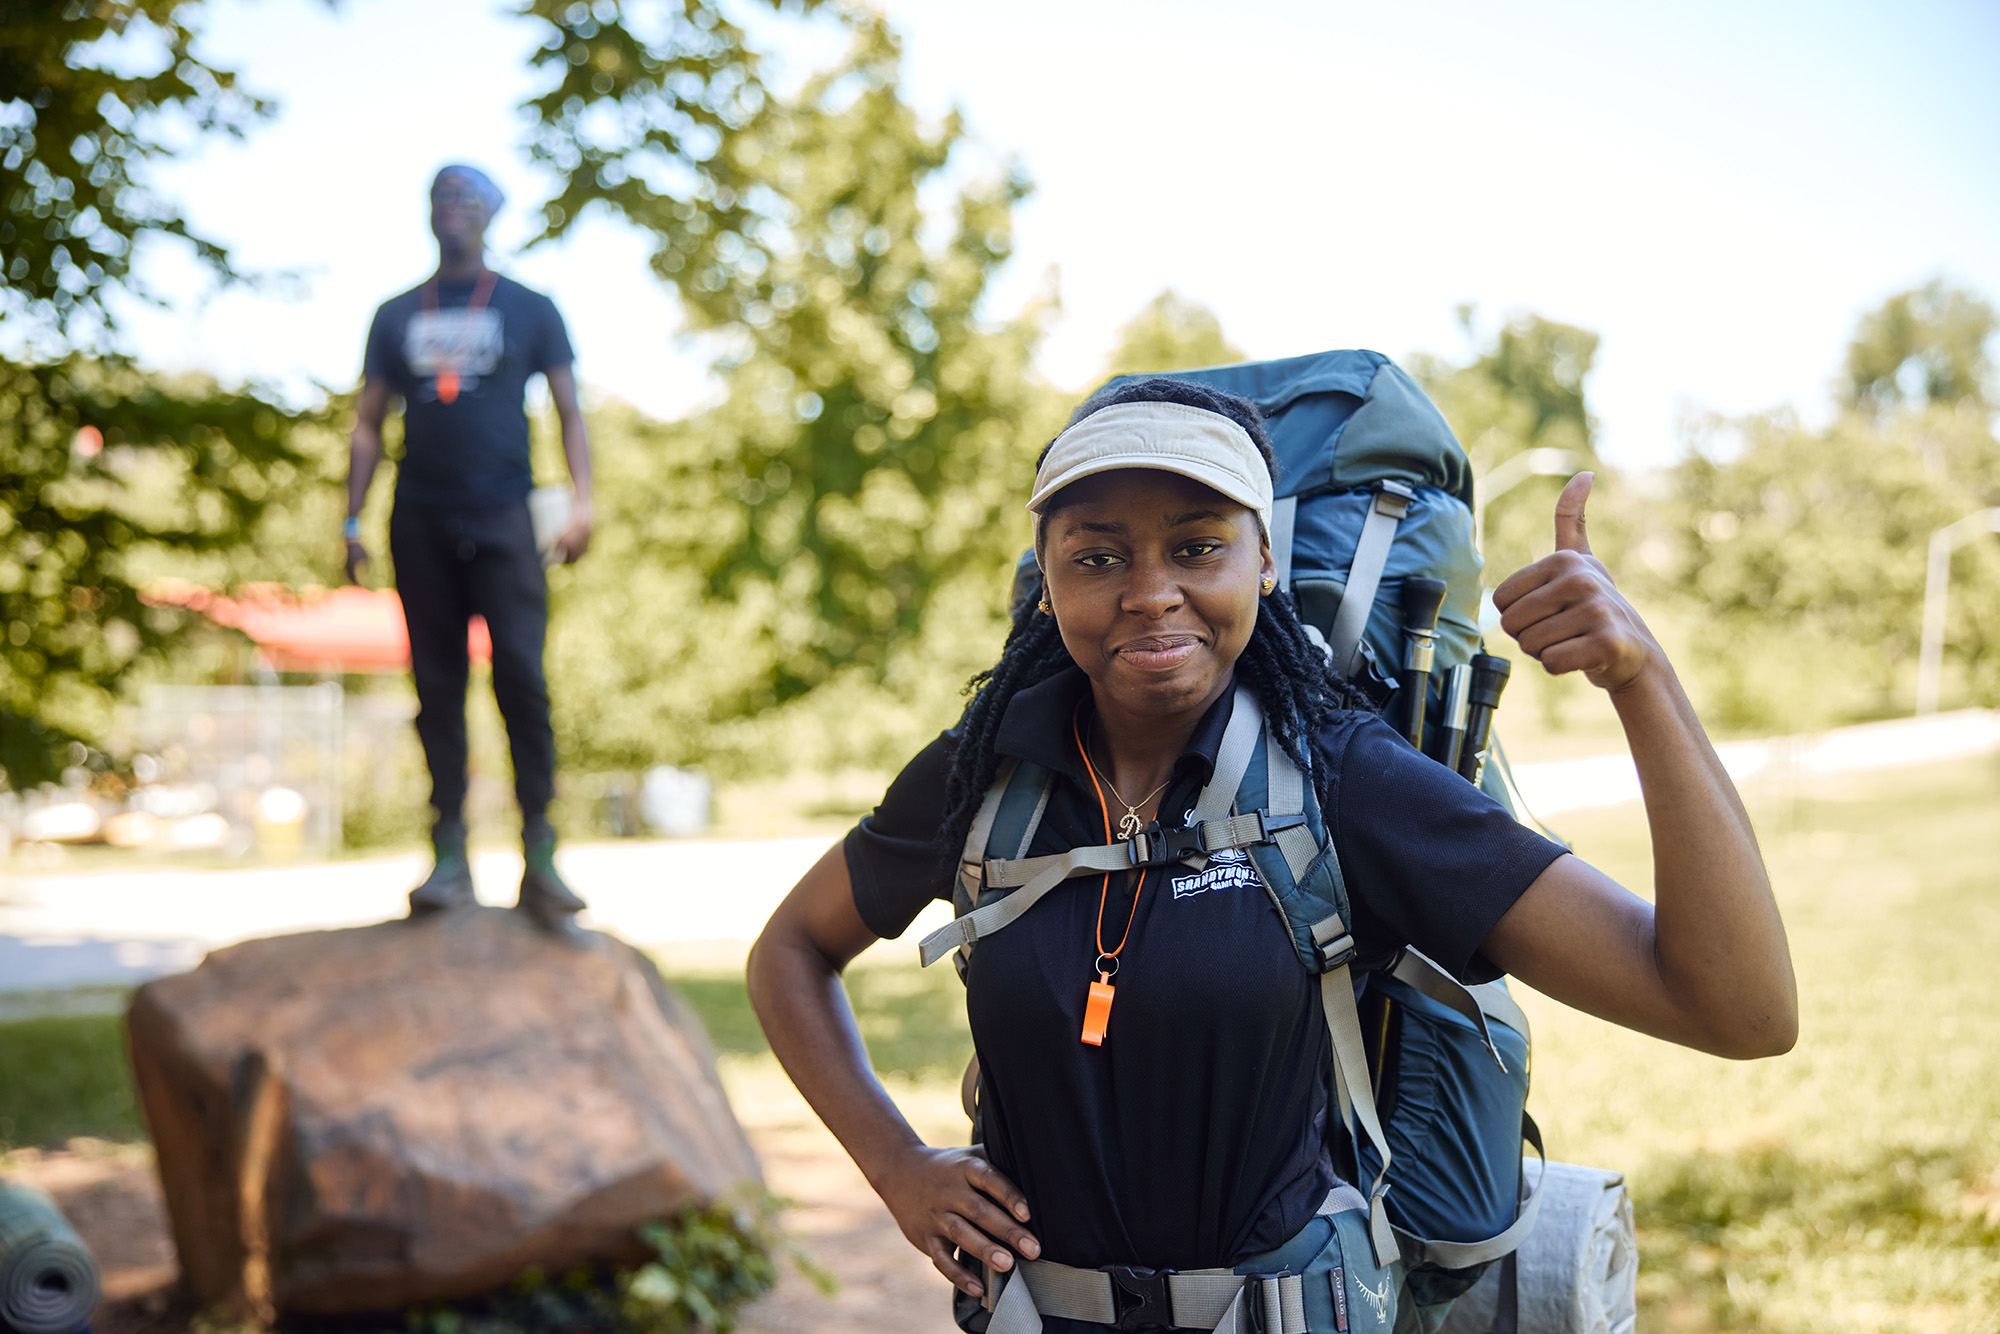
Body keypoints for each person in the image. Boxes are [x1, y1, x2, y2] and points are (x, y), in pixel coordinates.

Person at [745, 378, 1797, 1332]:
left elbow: (1733, 1008)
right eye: (1097, 554)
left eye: (1196, 545)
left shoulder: (1342, 776)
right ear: (1049, 576)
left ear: (1265, 558)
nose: (1149, 589)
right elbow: (790, 948)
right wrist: (894, 1164)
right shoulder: (984, 773)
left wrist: (1639, 679)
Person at [344, 164, 595, 931]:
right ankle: (447, 853)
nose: (451, 208)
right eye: (440, 196)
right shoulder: (394, 314)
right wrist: (351, 518)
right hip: (419, 516)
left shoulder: (529, 307)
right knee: (437, 686)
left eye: (466, 197)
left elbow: (568, 408)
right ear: (427, 214)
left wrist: (582, 500)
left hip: (504, 518)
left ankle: (540, 853)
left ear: (490, 214)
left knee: (522, 678)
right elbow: (366, 423)